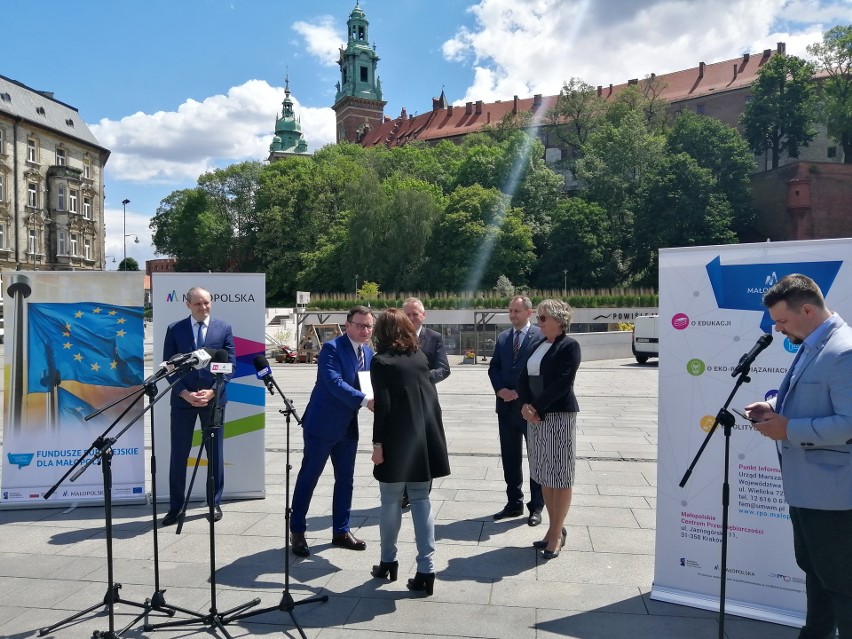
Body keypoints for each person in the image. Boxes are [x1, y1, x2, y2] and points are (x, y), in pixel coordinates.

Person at [745, 274, 852, 638]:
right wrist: (773, 406)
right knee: (816, 572)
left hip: (835, 494)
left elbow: (849, 423)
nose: (777, 328)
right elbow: (811, 396)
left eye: (782, 320)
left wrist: (788, 428)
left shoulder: (843, 350)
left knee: (841, 583)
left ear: (807, 309)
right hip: (809, 488)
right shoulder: (813, 342)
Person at [369, 309, 450, 596]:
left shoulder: (380, 362)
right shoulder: (419, 358)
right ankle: (426, 569)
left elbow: (384, 408)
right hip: (424, 439)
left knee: (390, 500)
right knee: (421, 499)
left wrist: (378, 445)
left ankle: (387, 562)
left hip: (396, 439)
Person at [290, 306, 375, 557]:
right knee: (309, 478)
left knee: (346, 481)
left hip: (348, 427)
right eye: (360, 325)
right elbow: (332, 381)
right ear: (347, 325)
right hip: (322, 425)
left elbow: (369, 384)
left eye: (369, 326)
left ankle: (341, 530)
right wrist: (365, 400)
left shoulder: (368, 352)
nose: (365, 330)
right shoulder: (332, 349)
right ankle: (297, 531)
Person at [161, 286, 235, 526]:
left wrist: (213, 391)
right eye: (198, 304)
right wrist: (184, 393)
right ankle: (176, 507)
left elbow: (230, 365)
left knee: (215, 454)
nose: (203, 308)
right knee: (179, 454)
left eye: (207, 303)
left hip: (213, 401)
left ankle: (214, 503)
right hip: (183, 401)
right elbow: (168, 367)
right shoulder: (175, 329)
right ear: (188, 305)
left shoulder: (223, 328)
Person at [517, 299, 580, 559]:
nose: (539, 323)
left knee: (561, 476)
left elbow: (563, 382)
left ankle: (556, 534)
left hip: (558, 417)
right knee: (544, 474)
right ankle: (554, 529)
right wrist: (524, 405)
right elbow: (522, 377)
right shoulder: (537, 344)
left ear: (558, 319)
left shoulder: (570, 346)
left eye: (543, 318)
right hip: (534, 418)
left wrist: (536, 407)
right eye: (539, 318)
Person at [487, 295, 545, 526]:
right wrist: (500, 389)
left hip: (530, 410)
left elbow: (542, 371)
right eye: (510, 311)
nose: (512, 315)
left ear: (529, 313)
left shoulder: (540, 337)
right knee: (510, 458)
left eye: (517, 311)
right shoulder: (502, 338)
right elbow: (495, 368)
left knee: (535, 459)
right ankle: (514, 503)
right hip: (506, 409)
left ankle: (536, 507)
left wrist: (529, 398)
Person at [403, 297, 451, 384]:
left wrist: (422, 378)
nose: (411, 318)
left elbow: (444, 369)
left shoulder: (434, 338)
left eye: (415, 314)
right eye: (408, 315)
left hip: (426, 393)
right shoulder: (396, 338)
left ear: (423, 315)